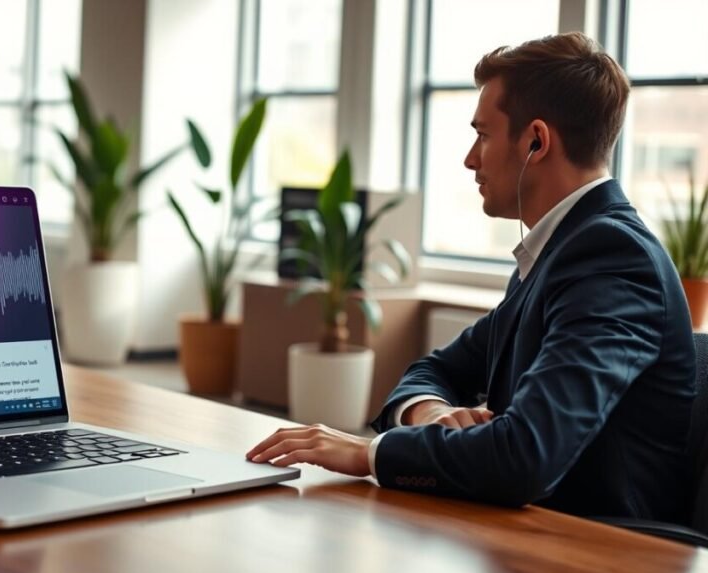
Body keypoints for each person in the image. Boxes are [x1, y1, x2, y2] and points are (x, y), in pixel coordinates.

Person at [247, 32, 696, 523]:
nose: (470, 158)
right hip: (521, 529)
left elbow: (526, 456)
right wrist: (433, 414)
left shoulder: (611, 257)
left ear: (536, 141)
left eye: (482, 134)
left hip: (597, 553)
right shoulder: (558, 252)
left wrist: (367, 454)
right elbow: (435, 370)